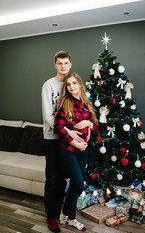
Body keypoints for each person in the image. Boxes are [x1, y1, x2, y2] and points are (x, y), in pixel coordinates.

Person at [42, 51, 85, 233]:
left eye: (66, 63)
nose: (63, 66)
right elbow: (48, 117)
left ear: (70, 64)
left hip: (70, 141)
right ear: (55, 65)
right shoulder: (48, 85)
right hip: (53, 138)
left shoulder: (72, 84)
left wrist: (88, 126)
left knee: (67, 179)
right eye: (59, 63)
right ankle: (51, 216)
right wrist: (70, 132)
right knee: (53, 179)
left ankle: (65, 214)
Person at [54, 72, 98, 231]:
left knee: (76, 184)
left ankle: (72, 218)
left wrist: (89, 123)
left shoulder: (86, 102)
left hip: (83, 151)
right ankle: (65, 213)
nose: (72, 87)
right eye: (68, 84)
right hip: (68, 150)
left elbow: (95, 124)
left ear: (79, 84)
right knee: (79, 183)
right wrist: (75, 143)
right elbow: (57, 128)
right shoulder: (65, 103)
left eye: (74, 83)